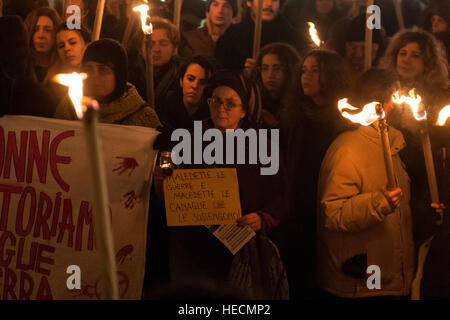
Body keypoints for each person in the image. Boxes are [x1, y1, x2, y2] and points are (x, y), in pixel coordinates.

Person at [152, 70, 289, 299]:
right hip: (190, 250)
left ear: (244, 110)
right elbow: (167, 199)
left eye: (230, 103)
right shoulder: (184, 139)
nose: (221, 108)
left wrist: (261, 217)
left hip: (238, 250)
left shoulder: (262, 147)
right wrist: (161, 181)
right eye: (216, 100)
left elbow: (281, 198)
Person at [317, 67, 415, 299]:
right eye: (397, 95)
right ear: (383, 101)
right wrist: (378, 202)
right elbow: (332, 213)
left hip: (389, 278)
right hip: (361, 284)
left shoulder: (392, 145)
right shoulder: (348, 149)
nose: (403, 103)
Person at [281, 49, 350, 299]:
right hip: (299, 212)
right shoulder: (297, 117)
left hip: (331, 209)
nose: (306, 77)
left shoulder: (343, 120)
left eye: (315, 70)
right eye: (303, 71)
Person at [54, 38, 161, 129]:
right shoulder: (67, 109)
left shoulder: (143, 117)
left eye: (103, 70)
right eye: (88, 69)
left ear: (119, 75)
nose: (94, 77)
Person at [379, 29, 449, 121]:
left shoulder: (441, 99)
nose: (406, 60)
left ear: (427, 62)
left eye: (415, 56)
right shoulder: (382, 91)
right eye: (403, 54)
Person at [215, 0, 304, 72]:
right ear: (249, 2)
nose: (269, 4)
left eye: (274, 0)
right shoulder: (232, 36)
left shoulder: (292, 37)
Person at [126, 17, 184, 108]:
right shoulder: (128, 74)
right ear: (140, 49)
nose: (156, 49)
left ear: (174, 48)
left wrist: (196, 123)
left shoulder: (184, 74)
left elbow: (197, 118)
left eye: (163, 43)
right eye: (150, 44)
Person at [157, 55, 217, 131]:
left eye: (202, 82)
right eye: (190, 79)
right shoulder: (166, 108)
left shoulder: (213, 115)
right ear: (181, 81)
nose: (195, 86)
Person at [250, 42, 300, 129]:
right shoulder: (254, 100)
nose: (270, 75)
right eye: (265, 68)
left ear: (289, 70)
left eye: (277, 69)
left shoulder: (298, 105)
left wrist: (275, 126)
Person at [325, 14, 386, 79]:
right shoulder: (333, 74)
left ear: (376, 49)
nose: (358, 54)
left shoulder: (385, 77)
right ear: (345, 47)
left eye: (364, 48)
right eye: (353, 47)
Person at [23, 7, 62, 82]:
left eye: (47, 30)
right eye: (35, 30)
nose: (41, 35)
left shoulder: (63, 69)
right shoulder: (22, 69)